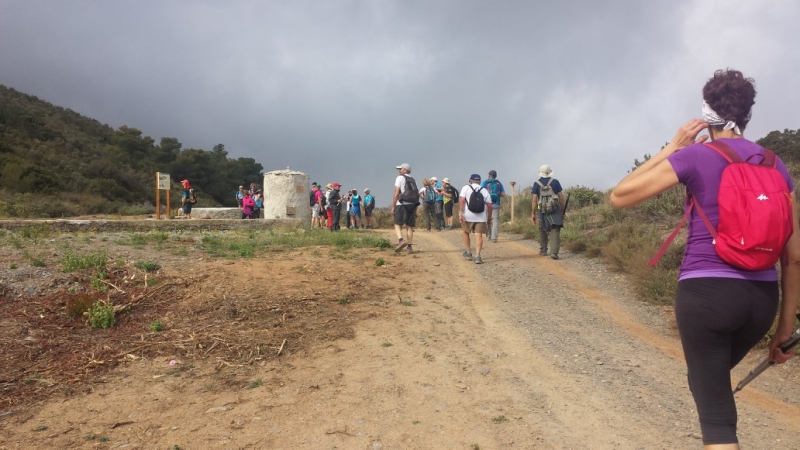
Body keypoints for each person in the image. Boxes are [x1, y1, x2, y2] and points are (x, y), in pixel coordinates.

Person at [609, 69, 799, 449]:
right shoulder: (776, 166)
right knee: (707, 383)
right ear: (746, 114)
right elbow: (793, 259)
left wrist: (673, 147)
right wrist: (784, 330)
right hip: (760, 302)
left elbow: (620, 196)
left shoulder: (696, 155)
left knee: (717, 419)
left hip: (706, 295)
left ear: (706, 112)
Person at [531, 164, 566, 259]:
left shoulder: (536, 183)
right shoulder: (555, 182)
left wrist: (533, 213)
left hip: (541, 208)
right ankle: (554, 253)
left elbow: (534, 199)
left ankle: (543, 250)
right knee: (555, 228)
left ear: (540, 173)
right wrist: (562, 210)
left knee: (542, 228)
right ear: (549, 172)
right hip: (554, 208)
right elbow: (561, 197)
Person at [459, 173, 492, 264]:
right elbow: (490, 206)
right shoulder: (484, 190)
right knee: (479, 235)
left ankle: (468, 252)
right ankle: (478, 256)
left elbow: (462, 201)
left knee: (465, 232)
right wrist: (489, 218)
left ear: (470, 181)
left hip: (467, 215)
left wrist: (461, 214)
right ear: (480, 181)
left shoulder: (465, 188)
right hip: (481, 217)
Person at [392, 163, 419, 254]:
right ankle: (409, 247)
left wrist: (393, 206)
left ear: (406, 170)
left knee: (397, 224)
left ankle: (401, 240)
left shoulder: (400, 178)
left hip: (402, 204)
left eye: (401, 169)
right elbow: (416, 194)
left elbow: (396, 193)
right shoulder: (413, 180)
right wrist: (415, 209)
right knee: (409, 226)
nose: (399, 170)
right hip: (412, 205)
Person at [481, 170, 506, 243]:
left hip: (487, 204)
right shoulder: (499, 183)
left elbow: (481, 192)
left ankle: (489, 235)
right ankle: (494, 238)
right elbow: (503, 194)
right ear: (495, 176)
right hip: (496, 204)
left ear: (489, 175)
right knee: (495, 221)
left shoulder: (485, 183)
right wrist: (497, 194)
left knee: (488, 219)